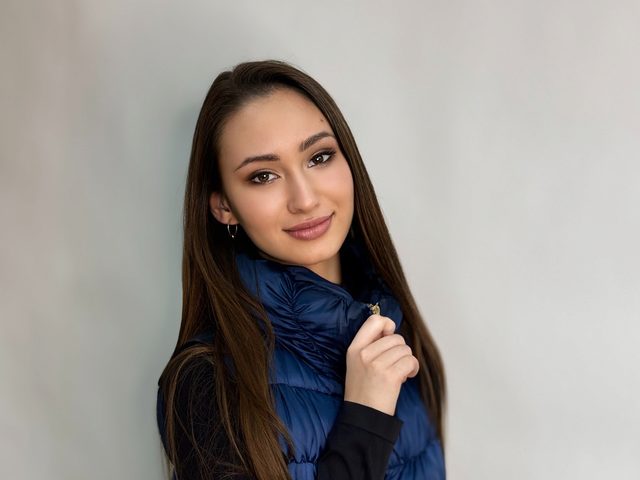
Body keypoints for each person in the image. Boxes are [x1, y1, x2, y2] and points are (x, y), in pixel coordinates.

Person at [156, 59, 446, 480]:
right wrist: (366, 417)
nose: (305, 199)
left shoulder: (396, 328)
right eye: (263, 176)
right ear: (223, 206)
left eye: (319, 157)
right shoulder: (205, 380)